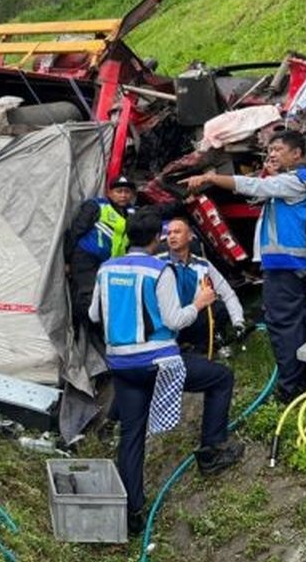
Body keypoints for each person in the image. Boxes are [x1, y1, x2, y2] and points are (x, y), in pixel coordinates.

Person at [90, 211, 244, 532]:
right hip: (158, 362)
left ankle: (132, 513)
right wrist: (199, 303)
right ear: (156, 239)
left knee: (132, 436)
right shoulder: (160, 270)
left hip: (121, 364)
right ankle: (212, 451)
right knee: (221, 378)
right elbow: (175, 321)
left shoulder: (106, 268)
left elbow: (94, 314)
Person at [185, 130, 306, 403]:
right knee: (294, 323)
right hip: (292, 265)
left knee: (282, 324)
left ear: (297, 154)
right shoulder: (292, 182)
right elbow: (260, 193)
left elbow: (254, 187)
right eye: (270, 150)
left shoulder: (296, 180)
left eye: (279, 149)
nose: (272, 154)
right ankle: (302, 381)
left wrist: (211, 178)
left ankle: (291, 389)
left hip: (287, 265)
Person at [160, 217, 247, 355]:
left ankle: (202, 348)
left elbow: (228, 294)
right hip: (165, 324)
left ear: (190, 236)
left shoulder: (203, 265)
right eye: (169, 233)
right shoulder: (158, 263)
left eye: (177, 232)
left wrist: (238, 322)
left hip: (192, 319)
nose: (172, 236)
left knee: (218, 308)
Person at [65, 175, 138, 332]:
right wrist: (67, 259)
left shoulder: (132, 213)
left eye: (127, 192)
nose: (123, 195)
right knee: (88, 298)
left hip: (110, 264)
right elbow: (76, 231)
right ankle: (90, 334)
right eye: (119, 191)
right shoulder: (96, 205)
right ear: (109, 192)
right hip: (87, 258)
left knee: (107, 299)